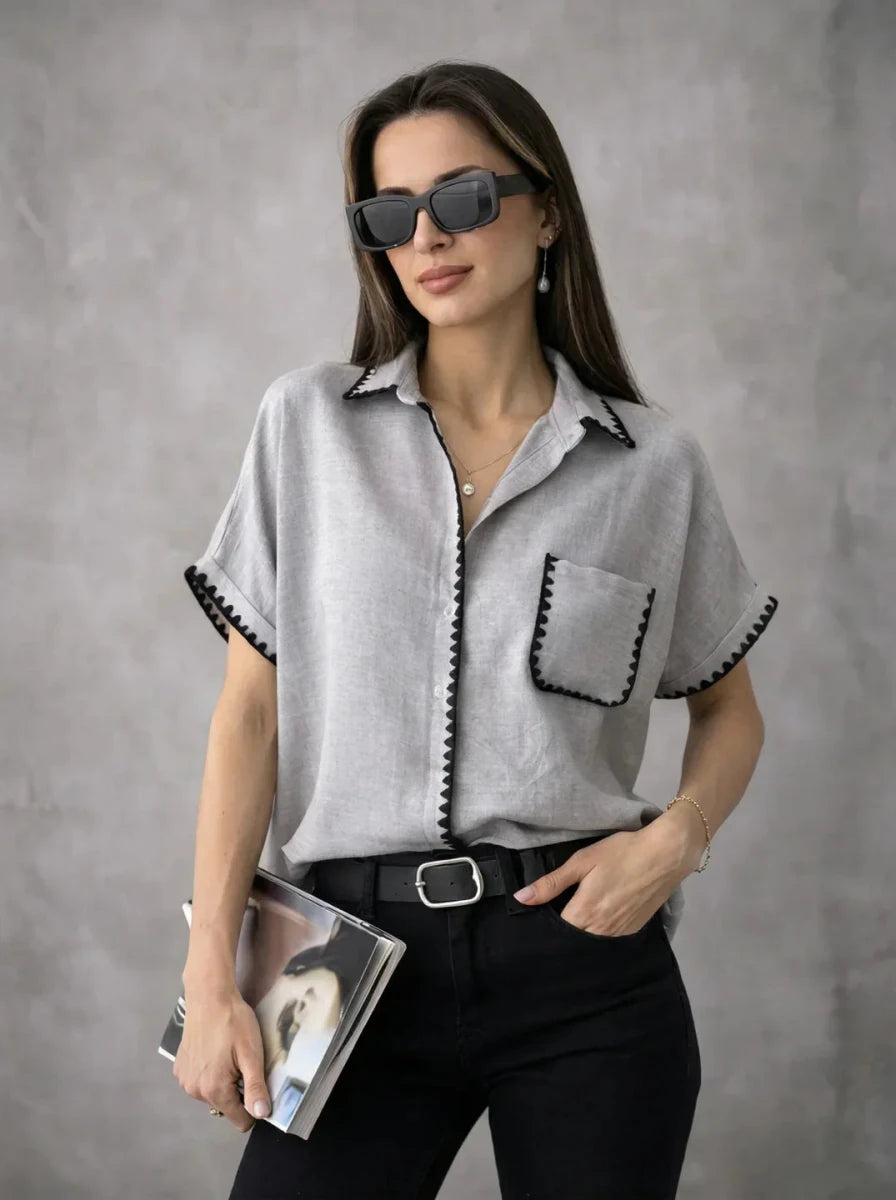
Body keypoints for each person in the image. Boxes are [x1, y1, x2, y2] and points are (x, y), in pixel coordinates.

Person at [172, 59, 778, 1200]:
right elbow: (247, 715)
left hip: (584, 972)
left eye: (461, 198)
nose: (426, 239)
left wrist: (672, 840)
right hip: (343, 958)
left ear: (544, 211)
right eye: (389, 214)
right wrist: (212, 979)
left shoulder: (650, 469)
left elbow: (728, 710)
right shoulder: (306, 428)